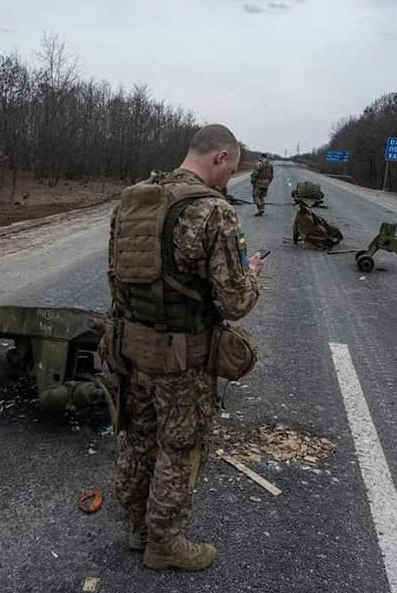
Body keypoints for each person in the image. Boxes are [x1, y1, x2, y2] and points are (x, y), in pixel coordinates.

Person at [104, 124, 263, 571]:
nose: (229, 178)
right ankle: (164, 543)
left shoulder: (132, 199)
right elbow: (234, 302)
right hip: (183, 359)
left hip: (131, 348)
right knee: (180, 447)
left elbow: (115, 280)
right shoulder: (213, 211)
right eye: (230, 167)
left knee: (137, 438)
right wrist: (252, 276)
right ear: (220, 158)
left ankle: (137, 527)